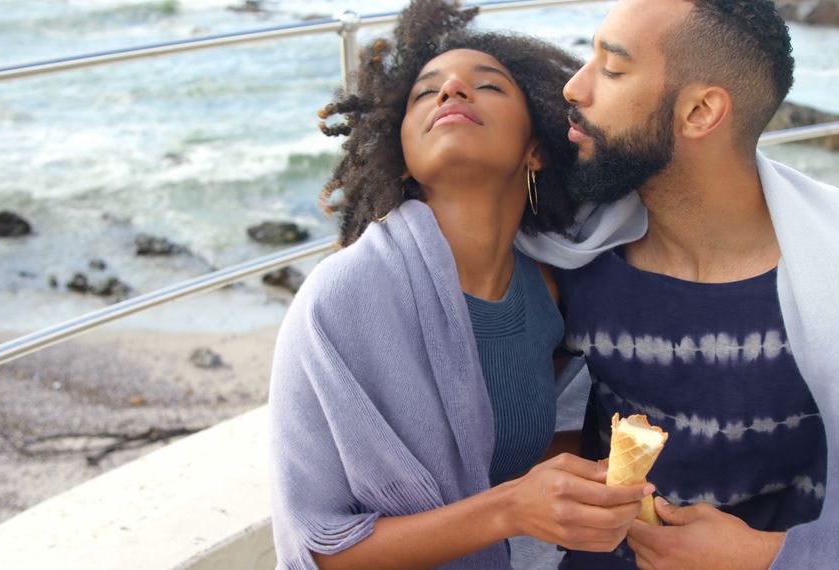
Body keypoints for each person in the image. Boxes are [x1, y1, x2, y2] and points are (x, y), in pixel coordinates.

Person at [516, 0, 839, 568]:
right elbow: (529, 416)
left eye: (613, 68)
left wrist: (761, 555)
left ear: (699, 111)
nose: (574, 87)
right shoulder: (578, 253)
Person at [267, 1, 653, 568]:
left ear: (536, 148)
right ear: (402, 157)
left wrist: (591, 489)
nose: (450, 90)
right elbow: (318, 548)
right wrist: (511, 510)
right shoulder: (343, 296)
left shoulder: (546, 295)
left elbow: (502, 454)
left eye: (488, 86)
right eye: (426, 92)